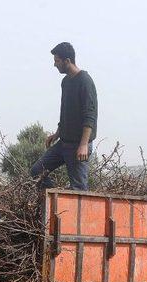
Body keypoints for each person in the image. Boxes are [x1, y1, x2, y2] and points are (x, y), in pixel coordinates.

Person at [31, 42, 98, 190]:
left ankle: (72, 207)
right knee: (36, 171)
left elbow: (90, 116)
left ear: (67, 61)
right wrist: (56, 134)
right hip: (64, 143)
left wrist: (83, 145)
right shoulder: (66, 82)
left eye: (57, 61)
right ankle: (56, 201)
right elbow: (65, 112)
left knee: (79, 188)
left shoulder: (85, 81)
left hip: (78, 145)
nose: (55, 64)